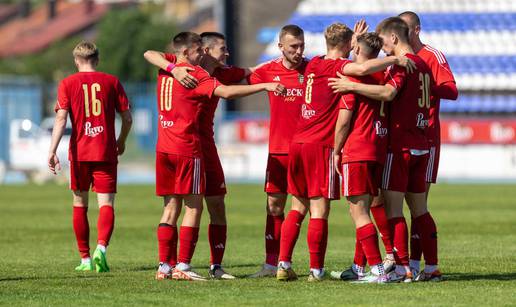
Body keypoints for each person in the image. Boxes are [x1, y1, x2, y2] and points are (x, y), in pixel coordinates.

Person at [276, 21, 415, 282]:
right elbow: (360, 69)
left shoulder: (314, 63)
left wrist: (354, 40)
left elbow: (355, 60)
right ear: (347, 46)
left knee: (297, 206)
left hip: (297, 143)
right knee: (323, 210)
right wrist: (394, 60)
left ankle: (283, 263)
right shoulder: (345, 73)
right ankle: (319, 270)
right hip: (326, 145)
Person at [150, 31, 285, 281]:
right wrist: (266, 85)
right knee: (192, 206)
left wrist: (279, 59)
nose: (227, 53)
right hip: (188, 147)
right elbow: (227, 93)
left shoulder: (211, 71)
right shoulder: (194, 73)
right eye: (221, 48)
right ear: (203, 50)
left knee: (213, 205)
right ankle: (181, 265)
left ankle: (211, 266)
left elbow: (249, 70)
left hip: (192, 148)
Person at [329, 17, 437, 282]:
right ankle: (431, 267)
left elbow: (388, 94)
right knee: (420, 209)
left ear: (395, 39)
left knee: (393, 210)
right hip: (421, 143)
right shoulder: (423, 64)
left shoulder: (401, 65)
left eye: (385, 40)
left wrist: (351, 85)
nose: (383, 46)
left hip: (399, 146)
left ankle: (400, 269)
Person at [48, 41, 133, 273]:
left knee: (79, 203)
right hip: (105, 150)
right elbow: (127, 119)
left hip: (80, 152)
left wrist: (52, 150)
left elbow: (61, 119)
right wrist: (121, 141)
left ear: (76, 61)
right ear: (97, 59)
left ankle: (85, 259)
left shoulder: (67, 83)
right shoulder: (111, 82)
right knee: (106, 203)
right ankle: (101, 249)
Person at [399, 11, 458, 280]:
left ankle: (427, 266)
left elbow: (451, 90)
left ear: (417, 30)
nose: (403, 35)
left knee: (418, 204)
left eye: (407, 30)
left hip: (427, 137)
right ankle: (412, 264)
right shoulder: (399, 57)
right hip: (403, 137)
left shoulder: (432, 56)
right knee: (407, 204)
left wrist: (423, 85)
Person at [247, 24, 309, 278]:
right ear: (280, 46)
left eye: (301, 45)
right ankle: (271, 263)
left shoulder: (312, 69)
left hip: (306, 150)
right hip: (278, 152)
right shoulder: (268, 71)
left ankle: (295, 263)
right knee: (274, 206)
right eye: (293, 46)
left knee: (305, 207)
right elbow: (238, 78)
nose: (299, 51)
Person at [330, 32, 390, 283]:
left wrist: (336, 150)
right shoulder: (380, 75)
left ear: (356, 47)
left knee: (358, 212)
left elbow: (344, 120)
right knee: (367, 208)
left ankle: (378, 270)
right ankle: (359, 267)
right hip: (378, 147)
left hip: (357, 148)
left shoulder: (353, 76)